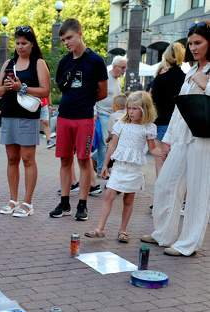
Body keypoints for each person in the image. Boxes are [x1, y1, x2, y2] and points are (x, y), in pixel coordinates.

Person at [141, 21, 210, 257]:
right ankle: (164, 233)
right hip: (182, 136)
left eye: (198, 42)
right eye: (190, 43)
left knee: (198, 191)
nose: (193, 47)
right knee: (166, 183)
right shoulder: (190, 70)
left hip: (203, 138)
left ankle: (188, 243)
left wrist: (206, 85)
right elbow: (180, 109)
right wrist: (168, 139)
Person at [50, 19, 108, 221]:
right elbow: (62, 88)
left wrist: (85, 101)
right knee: (65, 160)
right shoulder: (64, 62)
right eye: (64, 40)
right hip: (64, 117)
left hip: (84, 118)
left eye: (69, 38)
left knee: (83, 160)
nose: (66, 42)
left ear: (80, 33)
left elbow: (103, 92)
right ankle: (64, 203)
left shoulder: (96, 60)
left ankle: (82, 204)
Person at [85, 92, 160, 243]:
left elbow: (153, 149)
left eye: (135, 108)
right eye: (129, 108)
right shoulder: (121, 124)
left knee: (128, 200)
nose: (131, 112)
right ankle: (100, 229)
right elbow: (112, 145)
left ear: (145, 109)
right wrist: (105, 164)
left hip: (134, 169)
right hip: (119, 167)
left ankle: (123, 230)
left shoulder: (149, 127)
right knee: (108, 195)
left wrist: (164, 152)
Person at [0, 25, 50, 218]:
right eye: (17, 43)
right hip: (9, 114)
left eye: (24, 43)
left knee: (27, 158)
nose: (20, 46)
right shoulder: (8, 63)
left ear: (32, 44)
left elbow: (45, 91)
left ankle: (27, 203)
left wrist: (22, 88)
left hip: (28, 116)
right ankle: (13, 200)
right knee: (12, 158)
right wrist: (7, 87)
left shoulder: (39, 63)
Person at [150, 42, 185, 177]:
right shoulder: (186, 79)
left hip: (162, 122)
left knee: (160, 162)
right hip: (180, 124)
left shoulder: (160, 79)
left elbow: (152, 101)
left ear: (166, 56)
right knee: (176, 164)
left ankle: (160, 188)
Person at [94, 56, 127, 176]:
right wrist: (94, 112)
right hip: (102, 113)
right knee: (104, 143)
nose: (124, 70)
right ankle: (101, 170)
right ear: (114, 67)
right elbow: (94, 94)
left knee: (113, 142)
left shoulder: (118, 80)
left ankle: (95, 158)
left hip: (113, 115)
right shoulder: (105, 78)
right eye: (122, 67)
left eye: (125, 68)